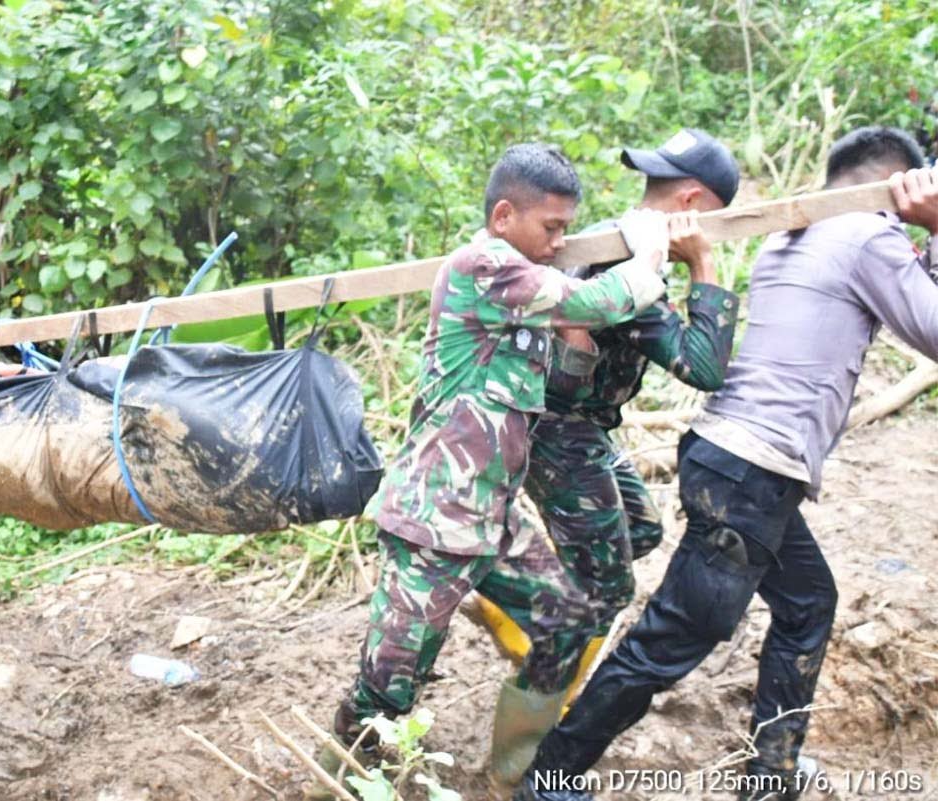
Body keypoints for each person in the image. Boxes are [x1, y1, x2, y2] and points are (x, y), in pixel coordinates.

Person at [513, 128, 938, 801]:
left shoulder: (789, 235)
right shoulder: (868, 236)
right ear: (893, 188)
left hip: (733, 463)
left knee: (806, 603)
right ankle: (549, 779)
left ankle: (771, 772)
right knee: (673, 637)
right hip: (751, 473)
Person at [309, 143, 672, 798]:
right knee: (388, 686)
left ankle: (512, 770)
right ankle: (338, 786)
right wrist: (650, 253)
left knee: (566, 618)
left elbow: (566, 371)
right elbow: (598, 300)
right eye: (552, 228)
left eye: (566, 228)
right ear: (505, 214)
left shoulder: (521, 294)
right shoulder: (483, 265)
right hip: (432, 521)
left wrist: (574, 341)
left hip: (493, 520)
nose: (559, 241)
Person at [487, 130, 741, 787]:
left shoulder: (618, 236)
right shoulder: (631, 261)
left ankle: (531, 619)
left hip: (582, 425)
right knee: (604, 592)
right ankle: (520, 755)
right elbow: (704, 365)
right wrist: (705, 268)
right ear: (693, 200)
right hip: (557, 429)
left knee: (643, 532)